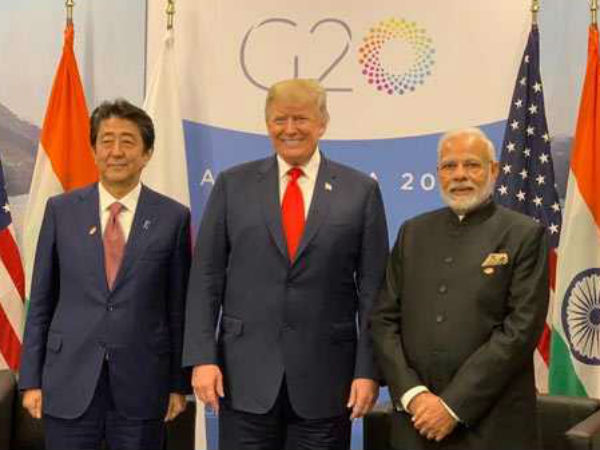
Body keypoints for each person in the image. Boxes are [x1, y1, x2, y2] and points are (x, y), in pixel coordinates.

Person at [183, 78, 389, 450]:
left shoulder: (360, 191)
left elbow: (374, 290)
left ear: (322, 123)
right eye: (280, 119)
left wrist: (368, 371)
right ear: (267, 124)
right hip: (243, 381)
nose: (290, 129)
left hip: (327, 384)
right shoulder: (232, 185)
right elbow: (205, 278)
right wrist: (202, 358)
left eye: (301, 118)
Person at [19, 99, 191, 450]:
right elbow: (42, 301)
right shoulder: (61, 210)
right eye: (106, 141)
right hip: (68, 378)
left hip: (143, 384)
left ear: (147, 153)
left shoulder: (173, 217)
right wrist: (31, 379)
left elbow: (177, 309)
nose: (116, 151)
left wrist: (178, 384)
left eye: (127, 141)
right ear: (93, 150)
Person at [370, 128, 549, 450]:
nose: (460, 175)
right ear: (438, 173)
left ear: (494, 170)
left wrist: (452, 406)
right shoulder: (412, 232)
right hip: (415, 422)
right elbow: (384, 320)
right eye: (449, 166)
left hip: (493, 427)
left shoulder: (524, 234)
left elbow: (520, 331)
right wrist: (414, 395)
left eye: (472, 164)